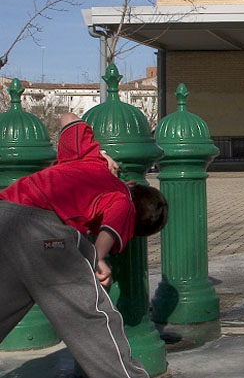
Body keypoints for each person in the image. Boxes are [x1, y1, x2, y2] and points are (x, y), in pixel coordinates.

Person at [0, 113, 168, 378]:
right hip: (43, 230)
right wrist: (98, 259)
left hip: (5, 216)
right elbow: (110, 229)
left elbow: (67, 117)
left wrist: (100, 152)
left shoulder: (90, 159)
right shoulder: (123, 198)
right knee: (94, 320)